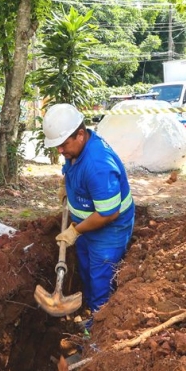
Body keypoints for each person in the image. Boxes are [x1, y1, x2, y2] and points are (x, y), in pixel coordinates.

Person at [44, 103, 135, 321]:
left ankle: (95, 336)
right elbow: (70, 167)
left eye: (63, 145)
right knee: (86, 271)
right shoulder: (75, 149)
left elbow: (108, 214)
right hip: (85, 225)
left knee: (100, 281)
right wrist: (66, 185)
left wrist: (74, 231)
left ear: (81, 135)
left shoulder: (98, 164)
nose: (60, 151)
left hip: (109, 230)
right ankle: (89, 310)